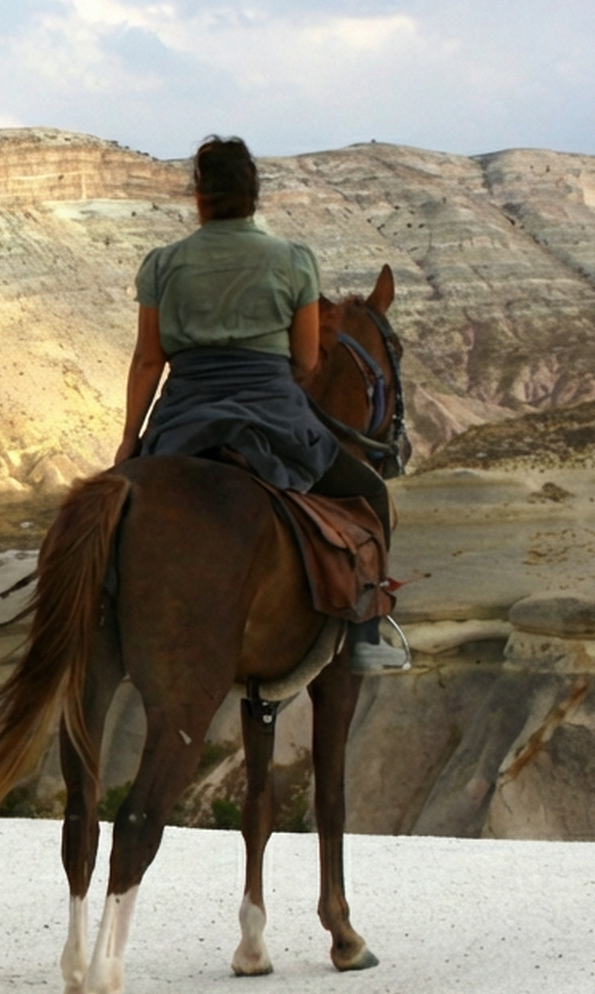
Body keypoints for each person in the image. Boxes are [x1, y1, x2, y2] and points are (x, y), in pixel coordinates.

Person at [115, 137, 408, 674]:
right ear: (254, 196)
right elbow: (304, 361)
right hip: (276, 419)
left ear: (198, 197)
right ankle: (367, 634)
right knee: (369, 491)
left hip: (183, 422)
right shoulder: (293, 261)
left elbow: (146, 362)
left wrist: (131, 439)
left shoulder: (162, 265)